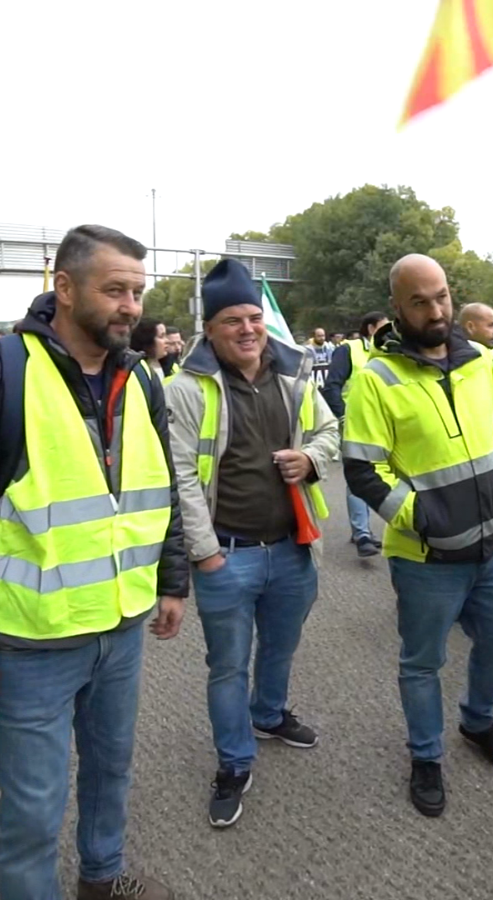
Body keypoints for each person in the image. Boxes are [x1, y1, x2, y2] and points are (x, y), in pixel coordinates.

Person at [0, 225, 185, 900]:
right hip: (28, 643)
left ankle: (102, 877)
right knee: (32, 807)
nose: (131, 307)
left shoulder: (140, 379)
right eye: (115, 290)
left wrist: (171, 581)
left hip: (119, 628)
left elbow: (160, 487)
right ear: (63, 286)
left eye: (137, 292)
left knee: (111, 771)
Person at [342, 253, 493, 818]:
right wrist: (418, 515)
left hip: (492, 545)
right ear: (398, 307)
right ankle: (425, 755)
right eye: (419, 300)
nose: (435, 308)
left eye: (441, 295)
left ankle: (478, 721)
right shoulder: (376, 378)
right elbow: (363, 468)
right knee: (422, 663)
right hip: (425, 557)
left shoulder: (482, 363)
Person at [165, 259, 340, 829]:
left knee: (281, 650)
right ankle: (234, 762)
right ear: (209, 330)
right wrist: (205, 553)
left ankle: (268, 715)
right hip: (228, 556)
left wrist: (310, 458)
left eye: (254, 318)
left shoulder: (293, 376)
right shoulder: (185, 389)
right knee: (227, 667)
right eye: (233, 320)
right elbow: (180, 477)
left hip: (294, 549)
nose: (248, 329)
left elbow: (330, 431)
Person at [323, 309, 390, 559]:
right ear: (372, 328)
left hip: (386, 423)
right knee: (359, 473)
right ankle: (362, 533)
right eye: (385, 326)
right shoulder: (348, 350)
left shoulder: (391, 352)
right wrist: (343, 416)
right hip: (355, 423)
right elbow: (332, 386)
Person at [129, 318, 169, 382]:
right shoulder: (134, 370)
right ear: (147, 340)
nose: (167, 341)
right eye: (161, 336)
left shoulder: (168, 366)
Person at [308, 326, 334, 392]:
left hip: (327, 382)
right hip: (314, 382)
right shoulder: (308, 349)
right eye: (319, 336)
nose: (322, 338)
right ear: (314, 336)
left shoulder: (330, 348)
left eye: (323, 336)